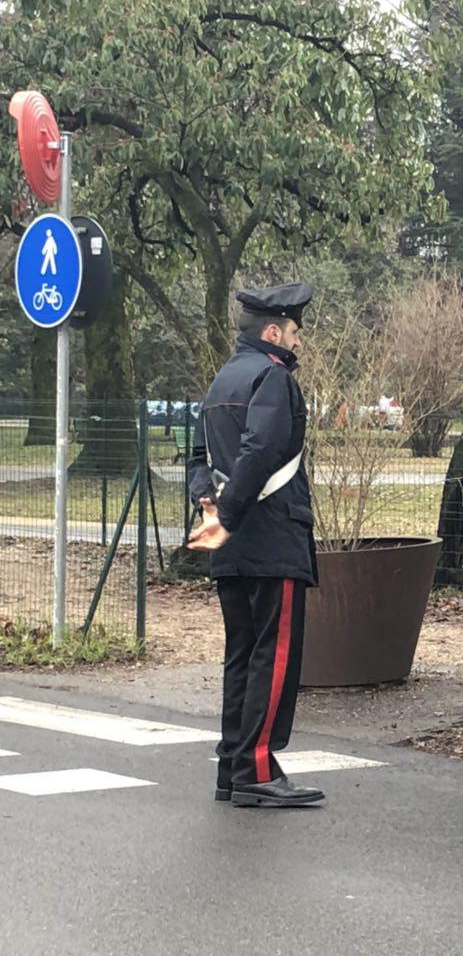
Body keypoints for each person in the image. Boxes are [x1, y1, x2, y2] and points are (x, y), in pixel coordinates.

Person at [187, 282, 323, 808]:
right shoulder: (273, 377)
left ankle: (233, 767)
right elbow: (263, 449)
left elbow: (198, 456)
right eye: (293, 332)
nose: (297, 342)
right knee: (275, 654)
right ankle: (259, 769)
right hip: (271, 537)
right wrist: (233, 516)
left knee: (241, 655)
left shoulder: (222, 379)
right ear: (274, 332)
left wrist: (210, 507)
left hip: (233, 545)